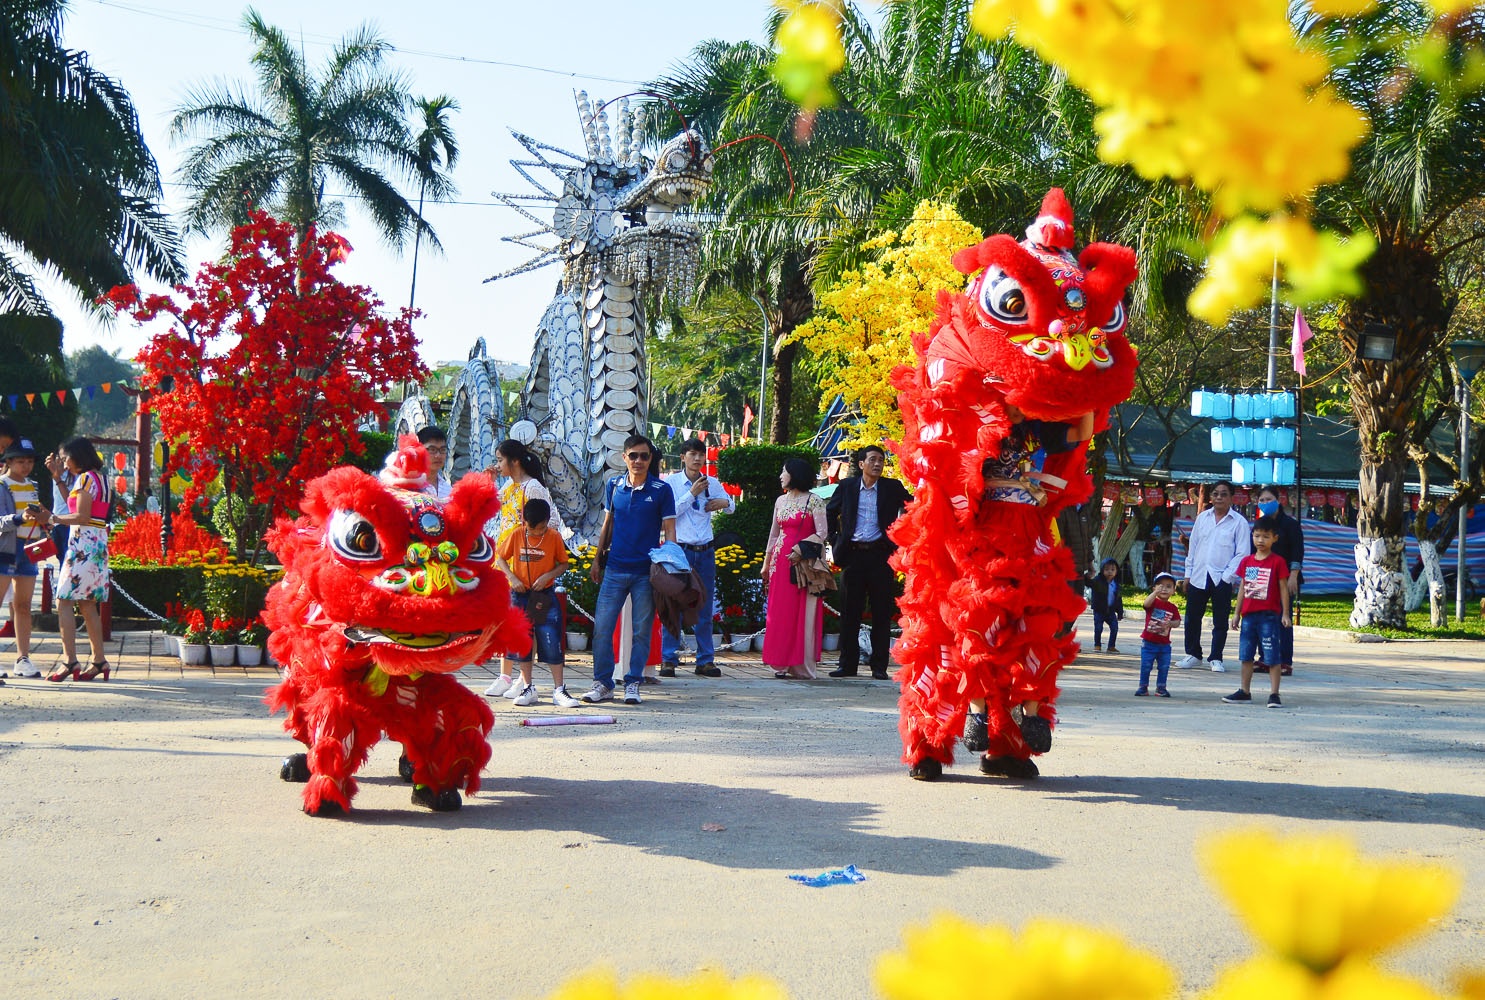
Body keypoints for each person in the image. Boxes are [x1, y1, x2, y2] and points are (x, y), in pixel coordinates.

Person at [581, 434, 676, 706]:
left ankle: (633, 682)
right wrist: (597, 559)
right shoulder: (614, 486)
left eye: (644, 456)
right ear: (624, 457)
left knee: (641, 631)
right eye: (633, 455)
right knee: (602, 628)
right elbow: (607, 525)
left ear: (651, 459)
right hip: (614, 568)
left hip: (646, 572)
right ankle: (603, 683)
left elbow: (670, 531)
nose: (638, 461)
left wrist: (669, 565)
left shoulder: (661, 490)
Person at [482, 438, 569, 698]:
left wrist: (531, 539)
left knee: (529, 622)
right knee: (509, 622)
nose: (498, 465)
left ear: (514, 461)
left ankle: (522, 678)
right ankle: (507, 675)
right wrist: (486, 483)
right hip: (508, 561)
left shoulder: (532, 487)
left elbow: (550, 518)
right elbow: (490, 509)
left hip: (529, 565)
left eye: (500, 460)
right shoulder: (509, 486)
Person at [825, 445, 910, 679]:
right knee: (849, 612)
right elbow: (830, 513)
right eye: (872, 459)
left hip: (881, 555)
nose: (877, 464)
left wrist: (900, 537)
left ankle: (879, 666)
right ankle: (847, 664)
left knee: (881, 613)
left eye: (881, 460)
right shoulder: (847, 486)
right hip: (853, 555)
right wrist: (834, 539)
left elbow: (913, 507)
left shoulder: (892, 487)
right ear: (861, 464)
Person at [33, 438, 112, 681]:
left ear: (77, 456)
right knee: (87, 604)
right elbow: (77, 505)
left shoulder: (86, 478)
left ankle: (70, 661)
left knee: (63, 601)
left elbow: (81, 515)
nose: (64, 463)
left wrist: (52, 518)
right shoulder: (100, 478)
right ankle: (99, 660)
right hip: (95, 543)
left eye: (65, 458)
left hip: (83, 545)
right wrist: (57, 478)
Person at [659, 437, 734, 678]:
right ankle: (668, 659)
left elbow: (731, 506)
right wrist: (692, 494)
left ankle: (705, 660)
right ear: (682, 457)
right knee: (674, 604)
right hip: (679, 550)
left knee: (704, 604)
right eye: (692, 454)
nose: (698, 459)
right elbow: (669, 514)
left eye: (701, 455)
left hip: (705, 551)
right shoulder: (671, 483)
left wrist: (725, 502)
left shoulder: (711, 482)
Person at [496, 498, 581, 708]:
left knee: (550, 638)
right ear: (524, 521)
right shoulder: (516, 534)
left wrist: (548, 576)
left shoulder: (553, 537)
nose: (536, 533)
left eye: (540, 528)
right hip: (520, 594)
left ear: (547, 522)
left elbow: (563, 563)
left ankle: (559, 689)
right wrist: (512, 578)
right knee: (523, 641)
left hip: (543, 595)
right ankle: (528, 687)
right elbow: (500, 558)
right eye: (531, 528)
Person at [762, 457, 829, 679]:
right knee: (780, 611)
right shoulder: (780, 501)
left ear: (795, 474)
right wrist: (766, 564)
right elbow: (773, 534)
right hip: (779, 563)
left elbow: (822, 533)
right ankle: (779, 663)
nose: (781, 475)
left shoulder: (815, 501)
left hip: (803, 565)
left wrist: (801, 549)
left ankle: (801, 664)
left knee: (802, 612)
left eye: (784, 471)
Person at [1177, 481, 1248, 673]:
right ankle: (1193, 653)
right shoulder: (1203, 518)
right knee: (1192, 617)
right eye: (1215, 494)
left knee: (1220, 619)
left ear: (1231, 497)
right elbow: (1193, 547)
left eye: (1223, 494)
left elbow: (1242, 553)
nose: (1219, 498)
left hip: (1222, 577)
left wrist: (1227, 576)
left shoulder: (1239, 522)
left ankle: (1216, 657)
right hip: (1199, 574)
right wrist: (1187, 574)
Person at [1222, 516, 1292, 708]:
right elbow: (1243, 588)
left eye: (1266, 536)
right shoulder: (1247, 562)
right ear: (1252, 536)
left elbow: (1284, 588)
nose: (1261, 540)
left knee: (1272, 657)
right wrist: (1236, 613)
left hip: (1269, 617)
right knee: (1246, 655)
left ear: (1274, 538)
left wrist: (1285, 614)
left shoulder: (1278, 562)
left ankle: (1274, 694)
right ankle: (1244, 691)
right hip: (1248, 617)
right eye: (1257, 536)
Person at [0, 439, 47, 679]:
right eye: (20, 461)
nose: (26, 466)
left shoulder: (33, 485)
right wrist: (18, 518)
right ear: (8, 461)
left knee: (24, 606)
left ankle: (23, 658)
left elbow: (42, 516)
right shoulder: (1, 485)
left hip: (29, 547)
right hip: (5, 548)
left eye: (29, 461)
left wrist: (44, 518)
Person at [1255, 486, 1304, 677]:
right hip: (1262, 576)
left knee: (1283, 618)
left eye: (1269, 499)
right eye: (1262, 500)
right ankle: (1265, 658)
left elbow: (1297, 551)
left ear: (1278, 500)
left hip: (1285, 578)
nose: (1265, 503)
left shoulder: (1290, 525)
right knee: (1262, 618)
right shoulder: (1259, 524)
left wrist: (1293, 576)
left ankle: (1284, 660)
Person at [1136, 572, 1181, 697]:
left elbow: (1177, 622)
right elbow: (1146, 604)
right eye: (1160, 586)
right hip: (1149, 642)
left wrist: (1171, 623)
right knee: (1146, 665)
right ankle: (1143, 687)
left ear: (1173, 590)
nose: (1164, 589)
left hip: (1164, 645)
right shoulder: (1153, 603)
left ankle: (1161, 687)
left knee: (1164, 667)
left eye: (1168, 586)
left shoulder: (1172, 608)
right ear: (1154, 588)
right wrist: (1154, 594)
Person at [1087, 556, 1124, 653]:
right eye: (1106, 569)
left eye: (1112, 569)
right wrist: (1087, 576)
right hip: (1099, 610)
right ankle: (1097, 645)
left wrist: (1120, 612)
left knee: (1114, 627)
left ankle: (1111, 646)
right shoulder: (1098, 581)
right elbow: (1089, 583)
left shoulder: (1116, 584)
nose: (1110, 572)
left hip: (1111, 611)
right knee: (1098, 628)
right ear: (1102, 570)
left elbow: (1119, 599)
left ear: (1116, 571)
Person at [416, 426, 452, 501]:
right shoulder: (409, 488)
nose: (438, 455)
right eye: (432, 450)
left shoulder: (448, 490)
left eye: (442, 450)